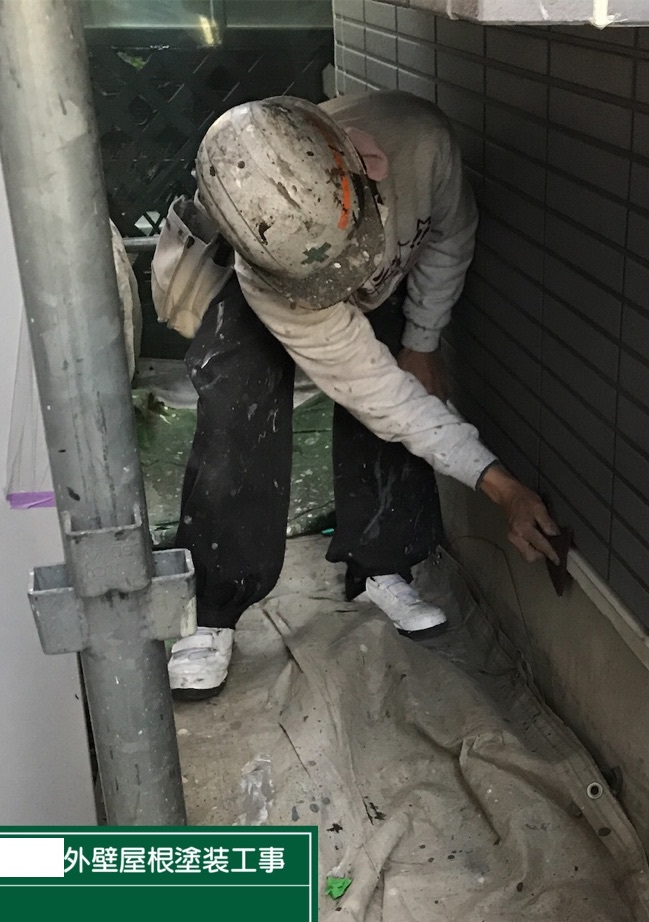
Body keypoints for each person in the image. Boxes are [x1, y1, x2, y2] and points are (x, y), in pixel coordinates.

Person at [150, 90, 558, 699]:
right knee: (239, 408)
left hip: (385, 276)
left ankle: (380, 565)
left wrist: (422, 339)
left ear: (366, 165)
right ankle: (212, 608)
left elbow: (450, 238)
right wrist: (500, 485)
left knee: (398, 385)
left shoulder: (424, 147)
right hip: (273, 291)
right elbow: (376, 395)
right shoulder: (268, 268)